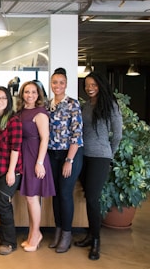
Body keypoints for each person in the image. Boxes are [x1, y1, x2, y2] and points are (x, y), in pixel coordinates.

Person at [75, 72, 122, 260]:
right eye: (87, 85)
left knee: (93, 198)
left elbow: (117, 135)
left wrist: (108, 154)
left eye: (93, 84)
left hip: (100, 157)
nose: (90, 88)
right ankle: (89, 235)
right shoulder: (86, 105)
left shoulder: (111, 105)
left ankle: (96, 241)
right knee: (88, 196)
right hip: (83, 156)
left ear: (101, 85)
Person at [47, 68, 84, 253]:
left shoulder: (73, 104)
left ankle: (67, 234)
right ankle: (58, 230)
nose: (58, 85)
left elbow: (77, 135)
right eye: (55, 82)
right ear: (51, 84)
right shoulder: (48, 105)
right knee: (55, 194)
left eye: (61, 82)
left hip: (70, 154)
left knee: (65, 193)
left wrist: (69, 160)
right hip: (52, 154)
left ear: (66, 84)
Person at [17, 80, 55, 252]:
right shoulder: (21, 111)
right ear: (22, 94)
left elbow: (45, 138)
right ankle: (33, 233)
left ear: (38, 94)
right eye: (26, 92)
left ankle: (36, 234)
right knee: (28, 198)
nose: (30, 95)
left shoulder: (40, 113)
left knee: (32, 198)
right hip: (24, 154)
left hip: (34, 156)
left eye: (33, 92)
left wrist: (39, 162)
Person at [0, 86, 23, 256]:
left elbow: (16, 148)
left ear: (9, 101)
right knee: (1, 204)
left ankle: (9, 242)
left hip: (10, 170)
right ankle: (3, 235)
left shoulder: (13, 120)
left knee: (3, 203)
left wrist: (11, 171)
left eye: (3, 98)